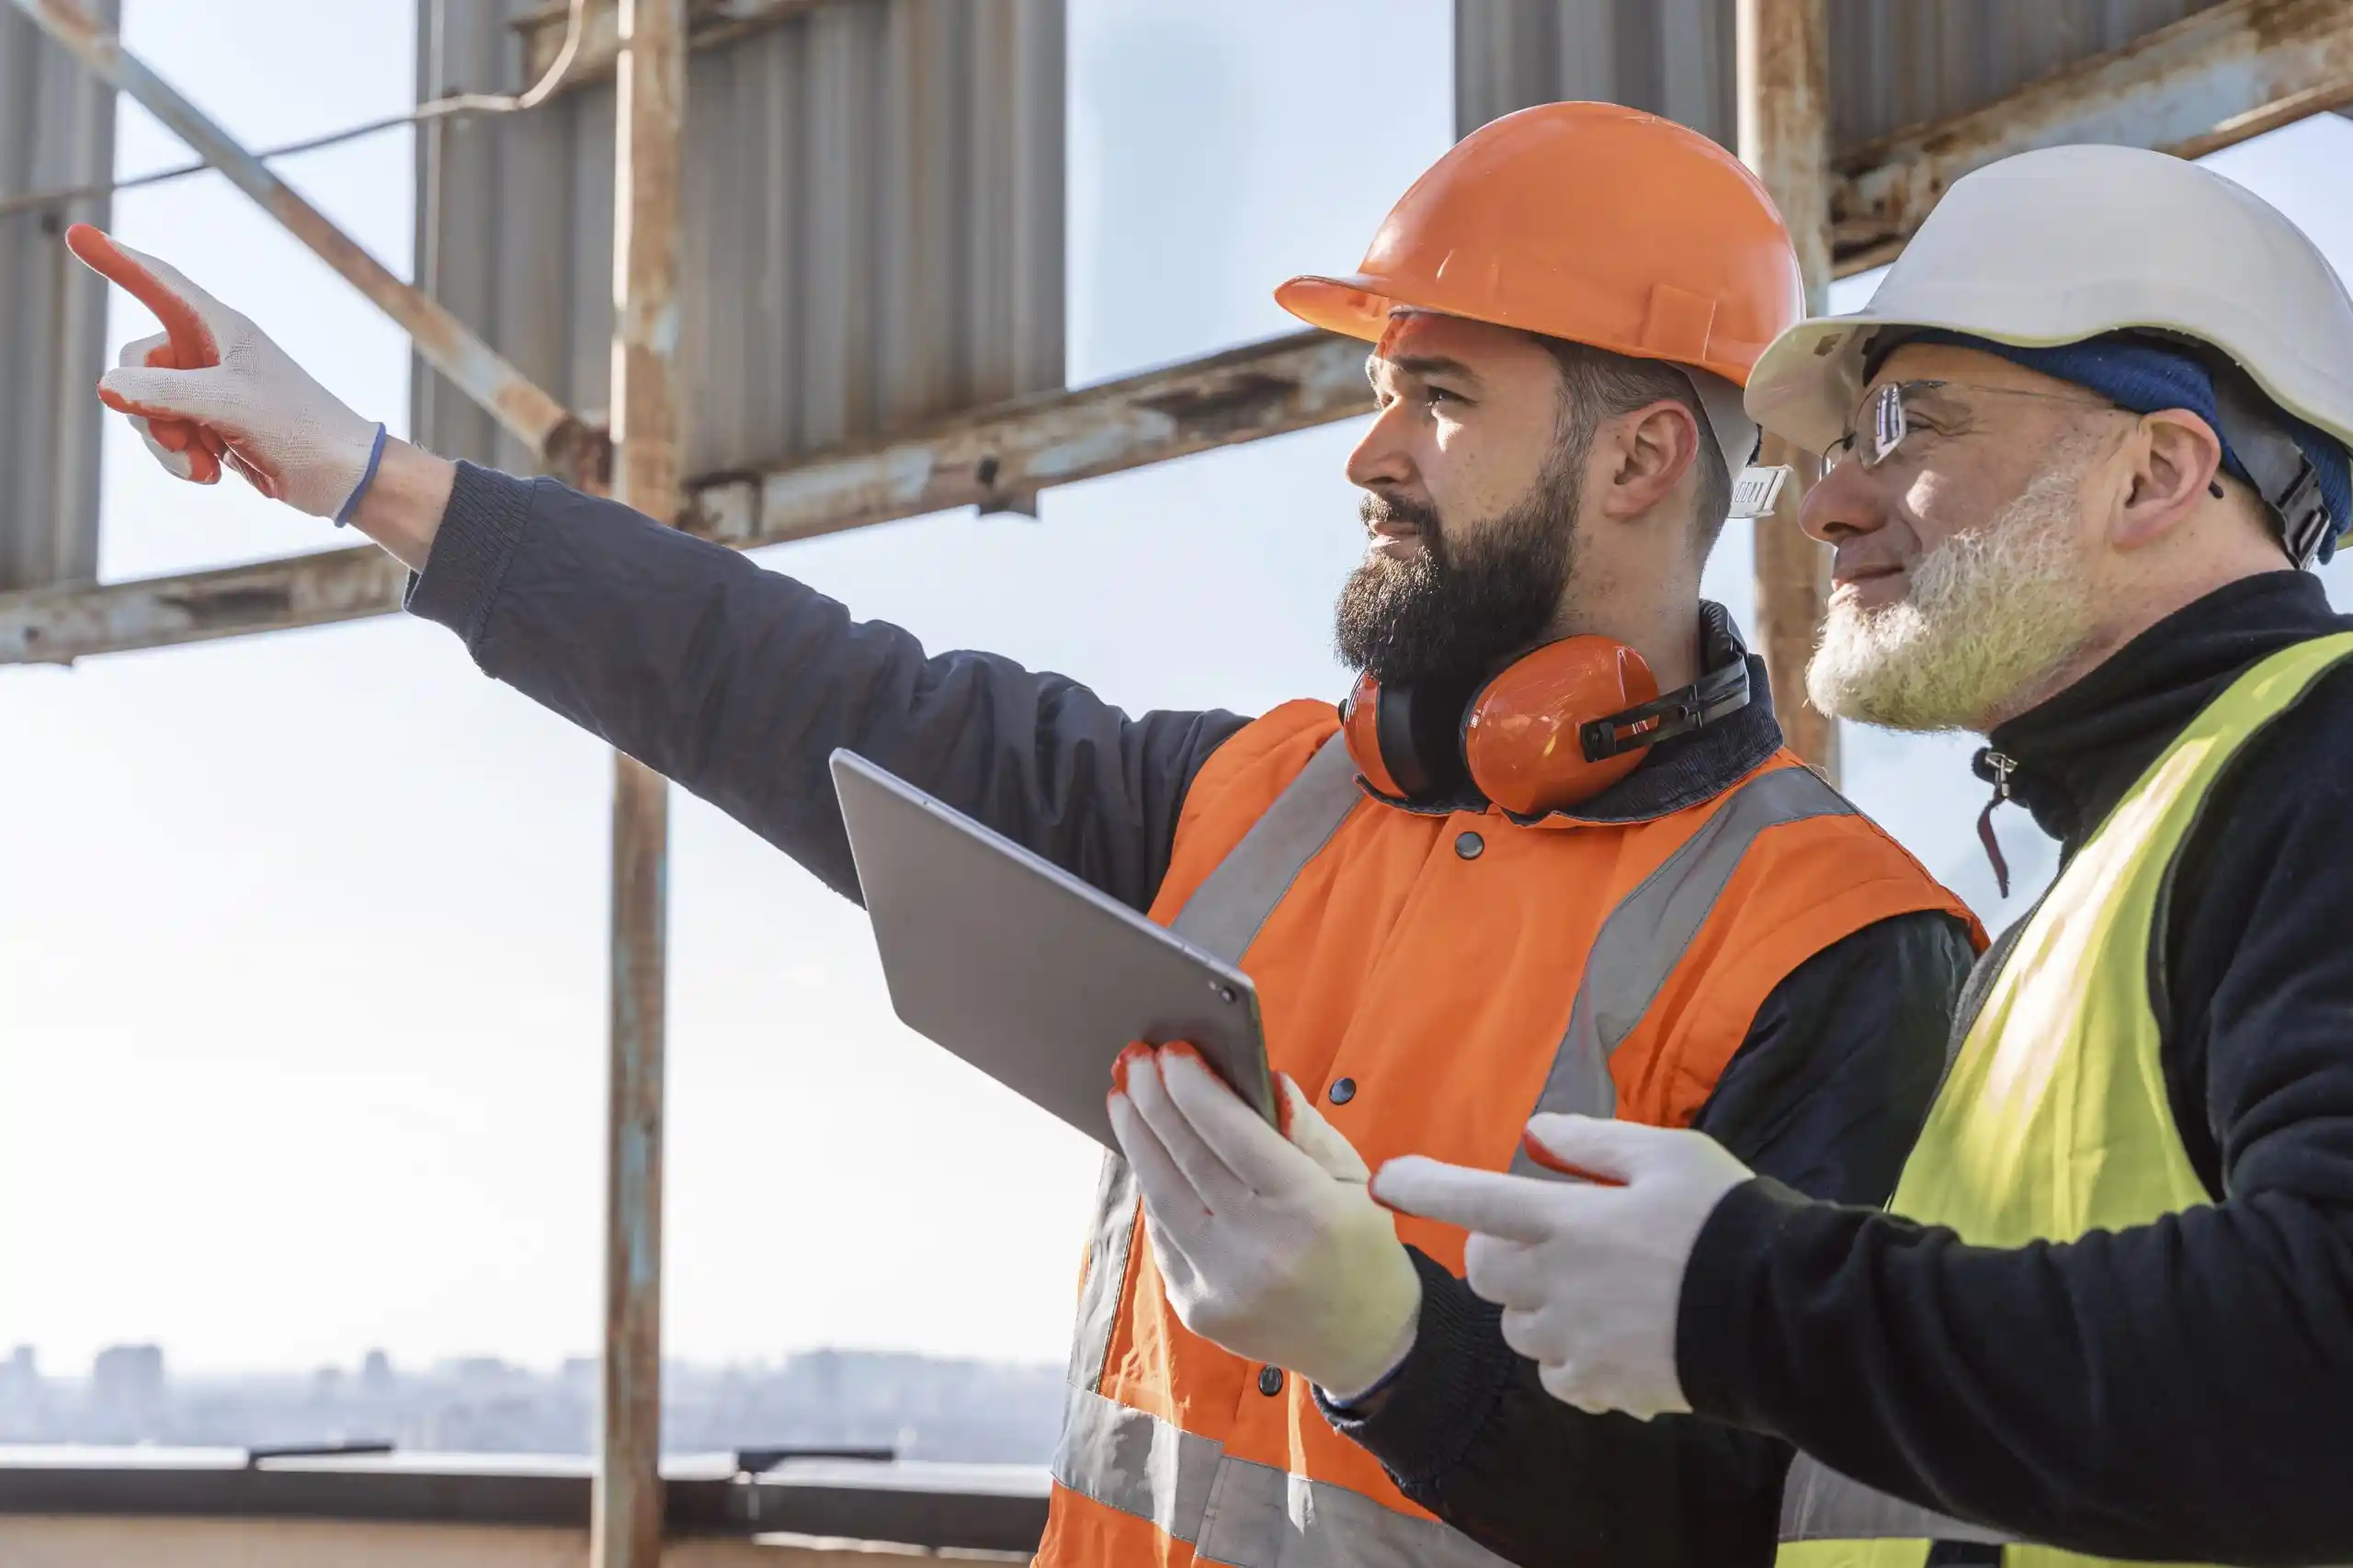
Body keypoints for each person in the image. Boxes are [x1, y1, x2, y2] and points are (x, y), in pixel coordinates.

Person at [68, 104, 1979, 1568]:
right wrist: (359, 470)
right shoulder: (1243, 801)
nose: (1365, 451)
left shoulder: (1834, 952)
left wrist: (1399, 1351)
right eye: (1376, 388)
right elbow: (788, 681)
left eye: (1436, 395)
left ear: (1641, 459)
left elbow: (1778, 1536)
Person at [1377, 142, 2353, 1567]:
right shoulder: (2103, 877)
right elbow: (1826, 1497)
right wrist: (1381, 1343)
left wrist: (1747, 1297)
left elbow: (2320, 1369)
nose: (1829, 501)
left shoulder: (2318, 769)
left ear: (2156, 472)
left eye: (1908, 422)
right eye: (1837, 448)